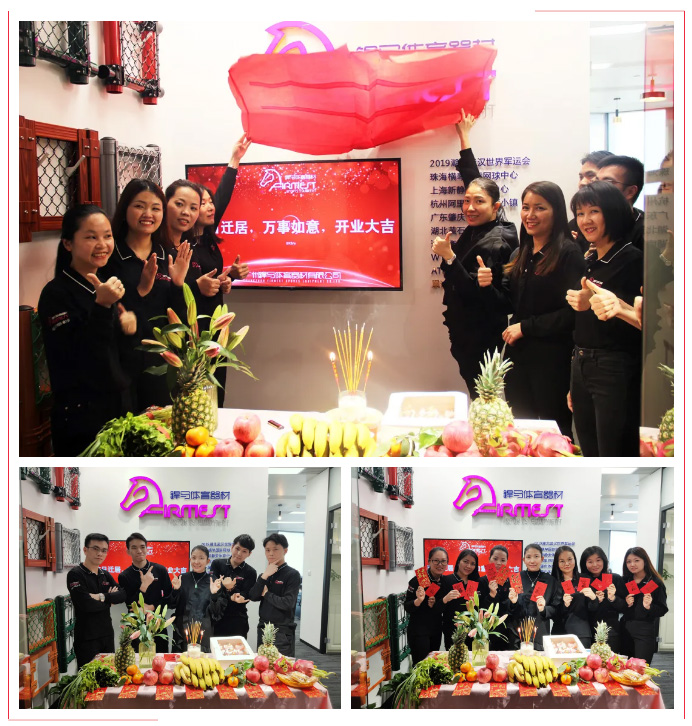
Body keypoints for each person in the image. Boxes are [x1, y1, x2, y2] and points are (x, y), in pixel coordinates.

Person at [479, 181, 585, 436]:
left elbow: (573, 314)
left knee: (555, 434)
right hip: (518, 357)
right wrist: (487, 286)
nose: (530, 215)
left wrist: (526, 327)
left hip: (552, 360)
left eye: (540, 208)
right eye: (526, 207)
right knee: (519, 431)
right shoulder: (520, 253)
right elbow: (508, 303)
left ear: (556, 211)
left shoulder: (569, 253)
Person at [38, 205, 136, 455]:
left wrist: (128, 329)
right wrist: (102, 306)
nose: (102, 244)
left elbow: (116, 356)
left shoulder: (106, 283)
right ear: (68, 243)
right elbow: (79, 358)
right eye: (91, 237)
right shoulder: (56, 294)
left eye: (107, 235)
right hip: (81, 420)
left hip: (118, 412)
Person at [434, 111, 518, 396]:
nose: (470, 207)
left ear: (495, 207)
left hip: (480, 333)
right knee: (478, 390)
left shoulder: (496, 241)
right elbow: (473, 179)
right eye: (466, 200)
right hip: (467, 328)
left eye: (478, 202)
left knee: (483, 393)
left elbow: (476, 293)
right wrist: (465, 137)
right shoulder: (486, 223)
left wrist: (449, 257)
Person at [566, 181, 642, 456]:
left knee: (613, 452)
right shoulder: (591, 258)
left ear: (612, 212)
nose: (585, 220)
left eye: (593, 211)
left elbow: (647, 322)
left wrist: (617, 307)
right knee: (589, 451)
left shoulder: (632, 259)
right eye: (580, 213)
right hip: (582, 363)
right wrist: (576, 379)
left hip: (613, 367)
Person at [104, 179, 192, 410]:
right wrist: (140, 290)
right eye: (139, 206)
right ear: (125, 209)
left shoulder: (168, 255)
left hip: (160, 365)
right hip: (120, 365)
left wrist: (178, 284)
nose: (148, 214)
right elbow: (106, 313)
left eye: (155, 208)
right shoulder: (110, 256)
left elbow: (179, 321)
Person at [67, 533, 126, 668]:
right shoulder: (75, 574)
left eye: (104, 550)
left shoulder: (105, 574)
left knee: (109, 674)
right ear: (85, 550)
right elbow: (86, 604)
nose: (100, 553)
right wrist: (110, 601)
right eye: (95, 549)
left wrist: (101, 597)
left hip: (107, 635)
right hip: (86, 638)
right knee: (89, 678)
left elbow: (122, 595)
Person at [118, 533, 173, 653]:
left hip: (157, 624)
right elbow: (130, 604)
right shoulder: (124, 576)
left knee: (160, 658)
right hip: (135, 627)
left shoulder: (160, 570)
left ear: (147, 549)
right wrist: (143, 586)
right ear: (128, 551)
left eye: (142, 547)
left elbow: (170, 597)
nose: (139, 551)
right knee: (137, 660)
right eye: (134, 548)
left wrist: (152, 607)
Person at [248, 534, 302, 656]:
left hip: (282, 631)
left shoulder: (292, 574)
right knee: (262, 665)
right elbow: (253, 596)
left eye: (275, 549)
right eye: (267, 550)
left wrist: (266, 594)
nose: (271, 553)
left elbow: (288, 603)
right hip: (263, 628)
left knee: (281, 665)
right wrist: (264, 576)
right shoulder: (265, 575)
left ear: (285, 551)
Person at [170, 545, 224, 653]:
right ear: (190, 559)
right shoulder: (182, 578)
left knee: (201, 660)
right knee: (181, 659)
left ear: (207, 561)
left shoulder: (214, 581)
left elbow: (217, 613)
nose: (197, 561)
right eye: (194, 558)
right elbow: (172, 605)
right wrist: (175, 590)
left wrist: (214, 594)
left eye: (201, 558)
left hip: (204, 630)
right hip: (182, 628)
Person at [507, 543, 560, 651]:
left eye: (536, 556)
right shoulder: (516, 578)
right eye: (528, 557)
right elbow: (508, 609)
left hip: (540, 631)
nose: (532, 561)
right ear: (523, 560)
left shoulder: (550, 580)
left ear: (542, 559)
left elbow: (556, 609)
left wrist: (544, 609)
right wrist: (513, 602)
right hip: (517, 632)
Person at [620, 547, 668, 663]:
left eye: (636, 560)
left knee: (640, 668)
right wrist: (625, 603)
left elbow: (662, 609)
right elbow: (618, 606)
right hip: (624, 629)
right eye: (629, 561)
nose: (632, 564)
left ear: (645, 561)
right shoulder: (624, 581)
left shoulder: (655, 582)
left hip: (644, 631)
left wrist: (649, 607)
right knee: (624, 668)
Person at [403, 547, 450, 664]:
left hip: (436, 629)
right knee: (420, 665)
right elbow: (407, 607)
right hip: (419, 630)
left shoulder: (444, 581)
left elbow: (442, 608)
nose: (440, 564)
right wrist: (418, 601)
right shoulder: (419, 579)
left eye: (443, 561)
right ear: (429, 561)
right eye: (436, 561)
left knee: (432, 664)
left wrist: (437, 603)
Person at [579, 545, 626, 653]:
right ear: (584, 563)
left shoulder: (615, 578)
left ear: (604, 560)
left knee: (609, 661)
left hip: (610, 631)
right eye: (590, 561)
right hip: (588, 631)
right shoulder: (583, 581)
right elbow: (580, 607)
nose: (595, 565)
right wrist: (594, 600)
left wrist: (613, 598)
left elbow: (624, 607)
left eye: (598, 560)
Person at [210, 534, 258, 638]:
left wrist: (230, 588)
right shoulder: (217, 564)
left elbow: (246, 595)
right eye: (237, 548)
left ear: (249, 554)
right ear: (232, 547)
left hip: (238, 619)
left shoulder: (251, 572)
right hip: (217, 617)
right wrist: (229, 592)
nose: (239, 553)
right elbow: (213, 588)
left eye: (244, 551)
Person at [596, 155, 645, 250]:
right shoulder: (588, 223)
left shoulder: (645, 232)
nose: (597, 187)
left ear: (630, 191)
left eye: (607, 182)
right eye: (596, 181)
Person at [569, 150, 614, 251]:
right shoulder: (574, 226)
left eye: (590, 176)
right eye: (581, 177)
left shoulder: (638, 227)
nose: (582, 183)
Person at [550, 546, 592, 647]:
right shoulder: (553, 583)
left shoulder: (584, 579)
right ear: (557, 563)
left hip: (581, 632)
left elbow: (592, 608)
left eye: (570, 559)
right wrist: (565, 605)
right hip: (559, 633)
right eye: (562, 561)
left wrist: (593, 598)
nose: (567, 564)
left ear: (574, 559)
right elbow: (552, 613)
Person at [478, 545, 518, 650]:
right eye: (495, 559)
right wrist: (491, 595)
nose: (499, 563)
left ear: (507, 562)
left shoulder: (513, 580)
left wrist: (514, 602)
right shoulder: (481, 581)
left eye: (503, 560)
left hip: (507, 630)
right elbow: (480, 609)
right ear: (489, 559)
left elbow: (516, 608)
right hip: (487, 630)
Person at [441, 549, 480, 649]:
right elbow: (438, 607)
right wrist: (446, 598)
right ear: (459, 562)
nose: (468, 566)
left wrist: (475, 605)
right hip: (452, 628)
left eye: (472, 564)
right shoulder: (446, 580)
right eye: (465, 561)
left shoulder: (476, 582)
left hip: (472, 629)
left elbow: (481, 609)